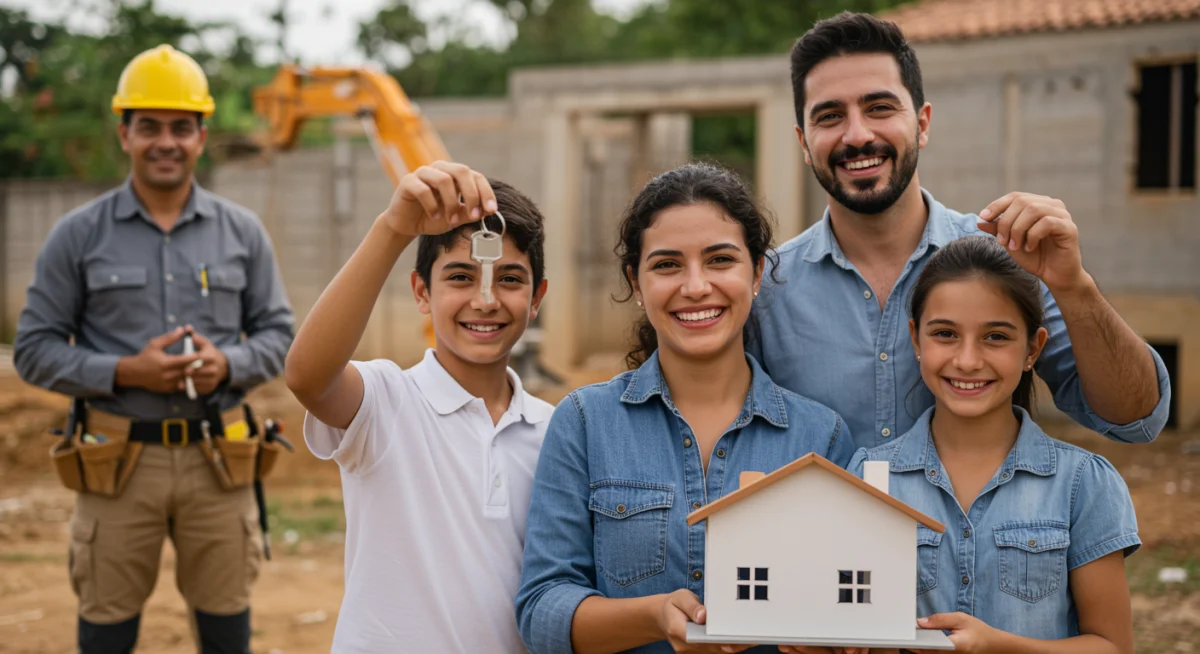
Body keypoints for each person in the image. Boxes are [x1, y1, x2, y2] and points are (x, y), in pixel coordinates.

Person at [750, 12, 1171, 451]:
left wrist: (1074, 286)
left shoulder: (1010, 259)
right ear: (804, 142)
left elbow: (1136, 420)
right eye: (830, 116)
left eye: (879, 108)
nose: (857, 135)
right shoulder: (765, 290)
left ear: (922, 124)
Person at [13, 45, 294, 653]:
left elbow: (280, 336)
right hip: (115, 464)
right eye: (149, 127)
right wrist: (125, 371)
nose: (166, 142)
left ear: (201, 136)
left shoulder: (242, 232)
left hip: (219, 461)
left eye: (181, 127)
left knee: (226, 631)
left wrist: (228, 364)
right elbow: (32, 348)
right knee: (106, 631)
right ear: (125, 133)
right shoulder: (77, 235)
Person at [516, 162, 856, 654]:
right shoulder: (585, 421)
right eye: (667, 265)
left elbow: (844, 604)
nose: (695, 286)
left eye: (720, 260)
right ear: (636, 283)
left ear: (757, 273)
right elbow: (542, 609)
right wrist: (653, 617)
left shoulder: (821, 436)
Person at [285, 161, 552, 652]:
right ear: (422, 292)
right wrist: (393, 228)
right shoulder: (385, 401)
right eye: (461, 277)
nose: (485, 300)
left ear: (536, 299)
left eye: (510, 279)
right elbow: (308, 377)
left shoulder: (555, 431)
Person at [833, 236, 1138, 654]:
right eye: (945, 334)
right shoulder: (868, 476)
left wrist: (999, 646)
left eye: (995, 337)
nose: (968, 361)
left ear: (1032, 348)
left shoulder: (1083, 483)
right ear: (916, 340)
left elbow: (1113, 646)